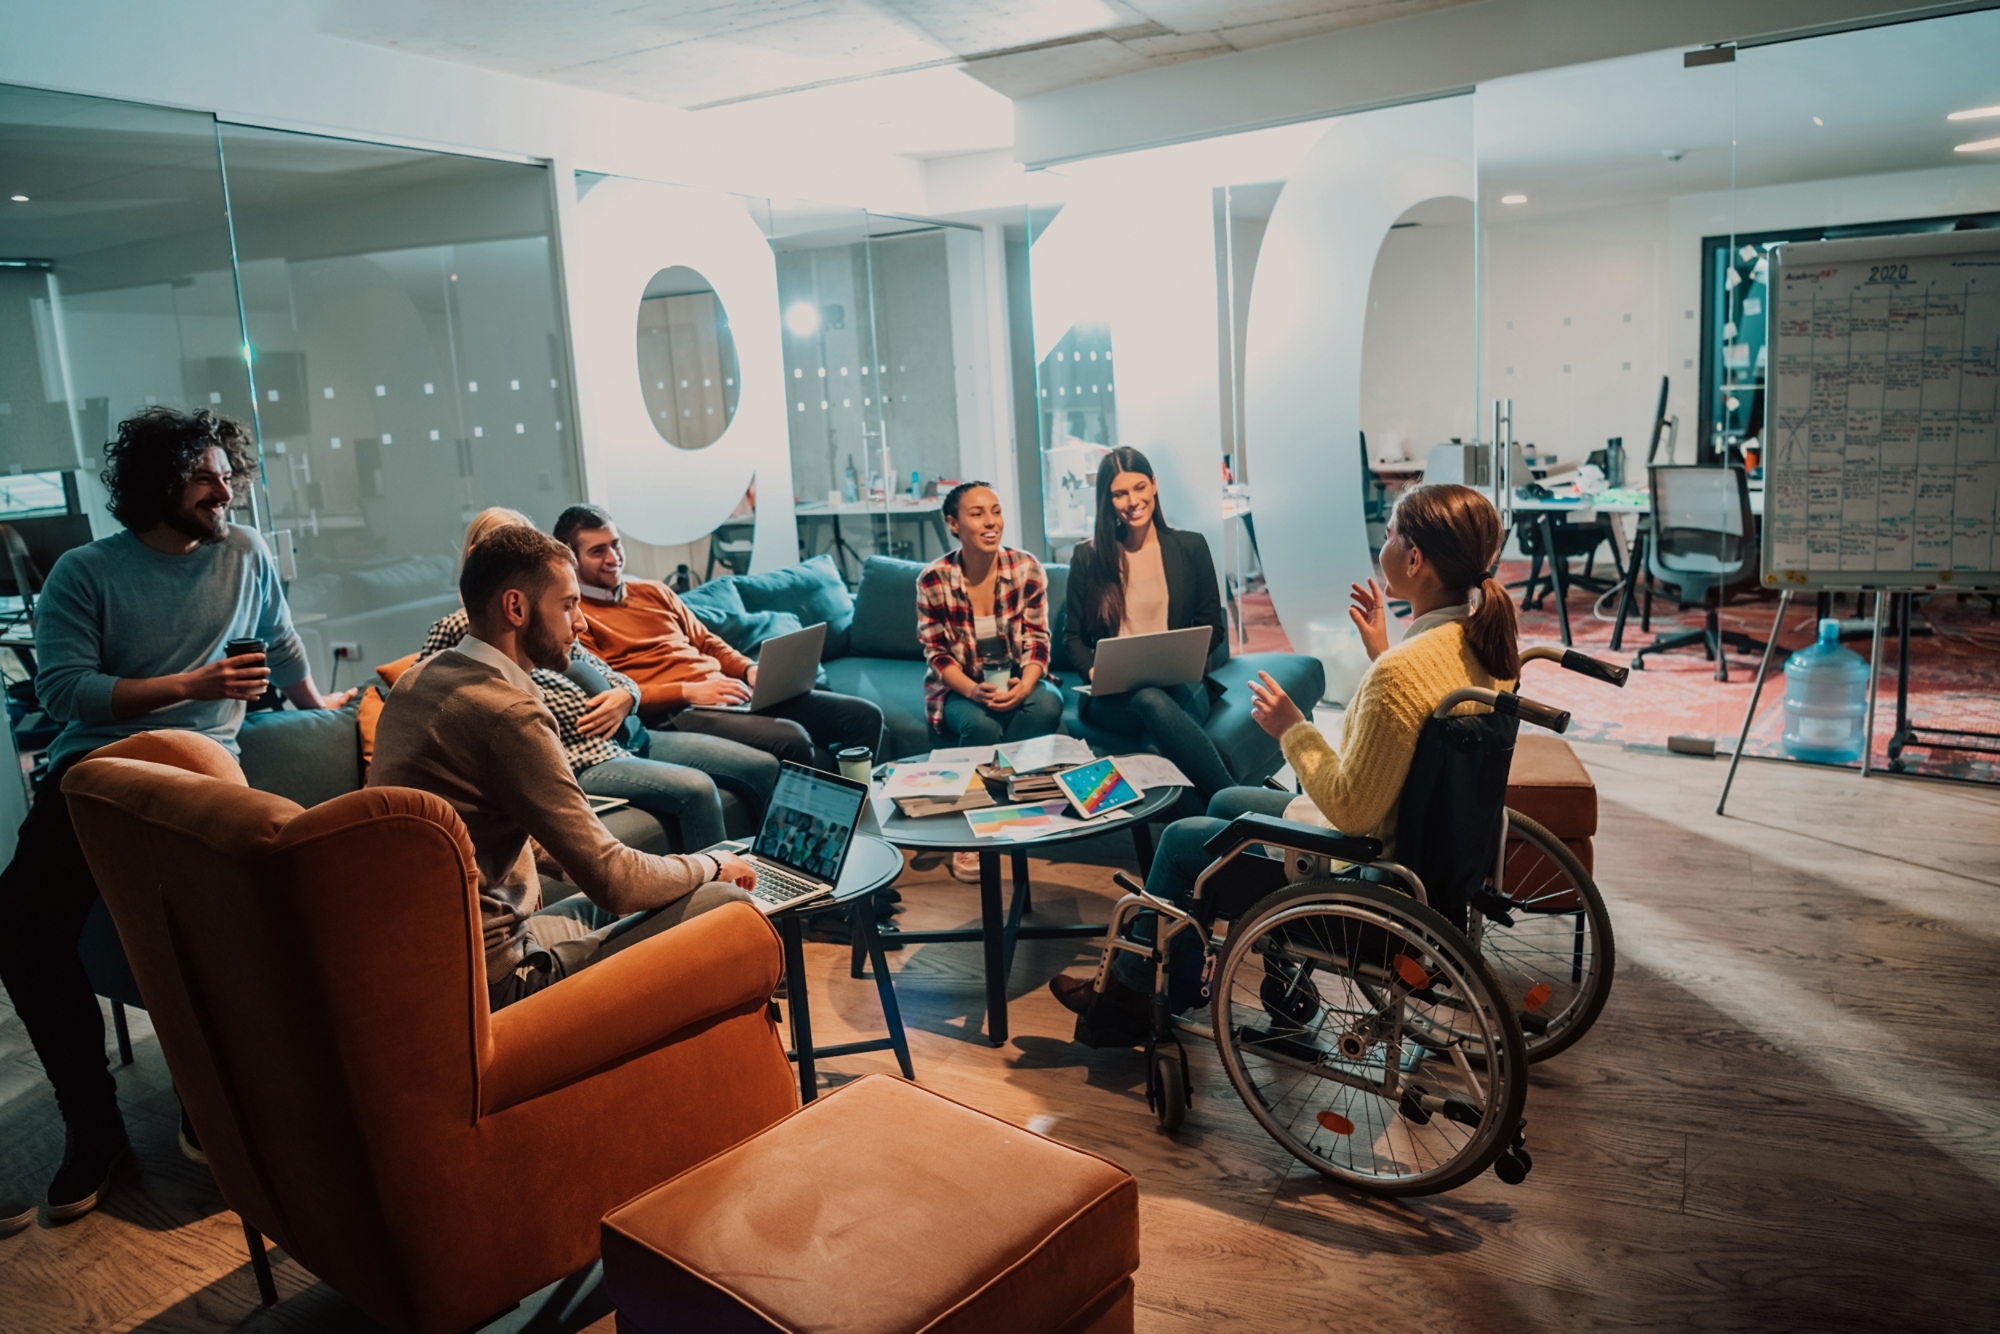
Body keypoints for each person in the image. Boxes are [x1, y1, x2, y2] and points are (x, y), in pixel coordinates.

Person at [0, 408, 351, 1227]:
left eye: (229, 473)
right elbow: (61, 693)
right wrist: (190, 688)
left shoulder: (245, 553)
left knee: (219, 928)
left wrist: (318, 707)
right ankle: (95, 1130)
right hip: (97, 770)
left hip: (202, 770)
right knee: (18, 925)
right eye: (204, 474)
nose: (224, 488)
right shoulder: (87, 573)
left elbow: (285, 644)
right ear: (155, 482)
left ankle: (215, 1101)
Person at [1049, 483, 1521, 1027]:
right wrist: (1381, 649)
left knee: (1180, 841)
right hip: (1432, 855)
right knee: (1226, 799)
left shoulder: (1401, 673)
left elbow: (1351, 811)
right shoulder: (1485, 647)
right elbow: (1420, 719)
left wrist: (1292, 729)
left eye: (1390, 534)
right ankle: (1227, 974)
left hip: (1366, 873)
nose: (1383, 544)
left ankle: (1128, 999)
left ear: (1414, 559)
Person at [370, 525, 761, 1011]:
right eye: (569, 605)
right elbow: (615, 884)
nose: (582, 625)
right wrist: (713, 864)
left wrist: (601, 861)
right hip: (500, 982)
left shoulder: (417, 681)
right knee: (726, 904)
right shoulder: (509, 715)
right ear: (516, 608)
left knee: (644, 894)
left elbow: (534, 840)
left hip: (432, 970)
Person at [416, 508, 778, 849]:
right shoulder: (462, 627)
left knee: (761, 765)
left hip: (628, 733)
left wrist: (626, 697)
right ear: (481, 557)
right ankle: (722, 902)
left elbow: (610, 671)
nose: (526, 558)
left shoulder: (550, 617)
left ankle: (785, 879)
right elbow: (422, 692)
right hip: (581, 754)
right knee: (697, 789)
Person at [555, 504, 884, 774]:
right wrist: (689, 690)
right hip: (678, 710)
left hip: (727, 690)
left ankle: (856, 814)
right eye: (598, 551)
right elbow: (611, 688)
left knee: (863, 715)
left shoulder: (653, 591)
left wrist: (748, 670)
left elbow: (707, 643)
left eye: (616, 544)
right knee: (792, 739)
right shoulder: (579, 616)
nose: (613, 558)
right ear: (571, 558)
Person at [1062, 447, 1233, 807]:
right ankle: (1238, 805)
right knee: (1149, 700)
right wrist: (1095, 670)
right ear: (1107, 500)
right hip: (1114, 697)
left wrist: (1184, 655)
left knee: (1156, 743)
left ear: (1154, 485)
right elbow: (1073, 637)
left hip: (1182, 684)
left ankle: (1196, 843)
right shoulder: (1089, 557)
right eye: (1120, 493)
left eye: (1140, 487)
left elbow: (1212, 626)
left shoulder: (1190, 547)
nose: (1133, 501)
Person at [917, 481, 1062, 748]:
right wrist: (973, 691)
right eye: (977, 514)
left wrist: (1025, 687)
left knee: (1048, 704)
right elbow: (937, 655)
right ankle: (981, 786)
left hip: (1017, 677)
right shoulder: (933, 579)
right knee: (981, 724)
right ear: (953, 523)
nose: (991, 522)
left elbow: (1037, 639)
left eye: (996, 511)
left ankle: (1011, 780)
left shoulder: (1026, 568)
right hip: (962, 688)